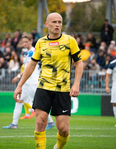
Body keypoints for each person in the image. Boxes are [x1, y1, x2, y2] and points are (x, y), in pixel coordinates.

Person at [14, 13, 83, 149]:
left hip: (63, 90)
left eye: (59, 22)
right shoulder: (41, 42)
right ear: (46, 24)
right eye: (54, 22)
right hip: (44, 88)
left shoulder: (70, 41)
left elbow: (79, 63)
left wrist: (76, 84)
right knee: (40, 122)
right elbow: (32, 65)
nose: (57, 25)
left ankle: (57, 147)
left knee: (63, 129)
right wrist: (19, 85)